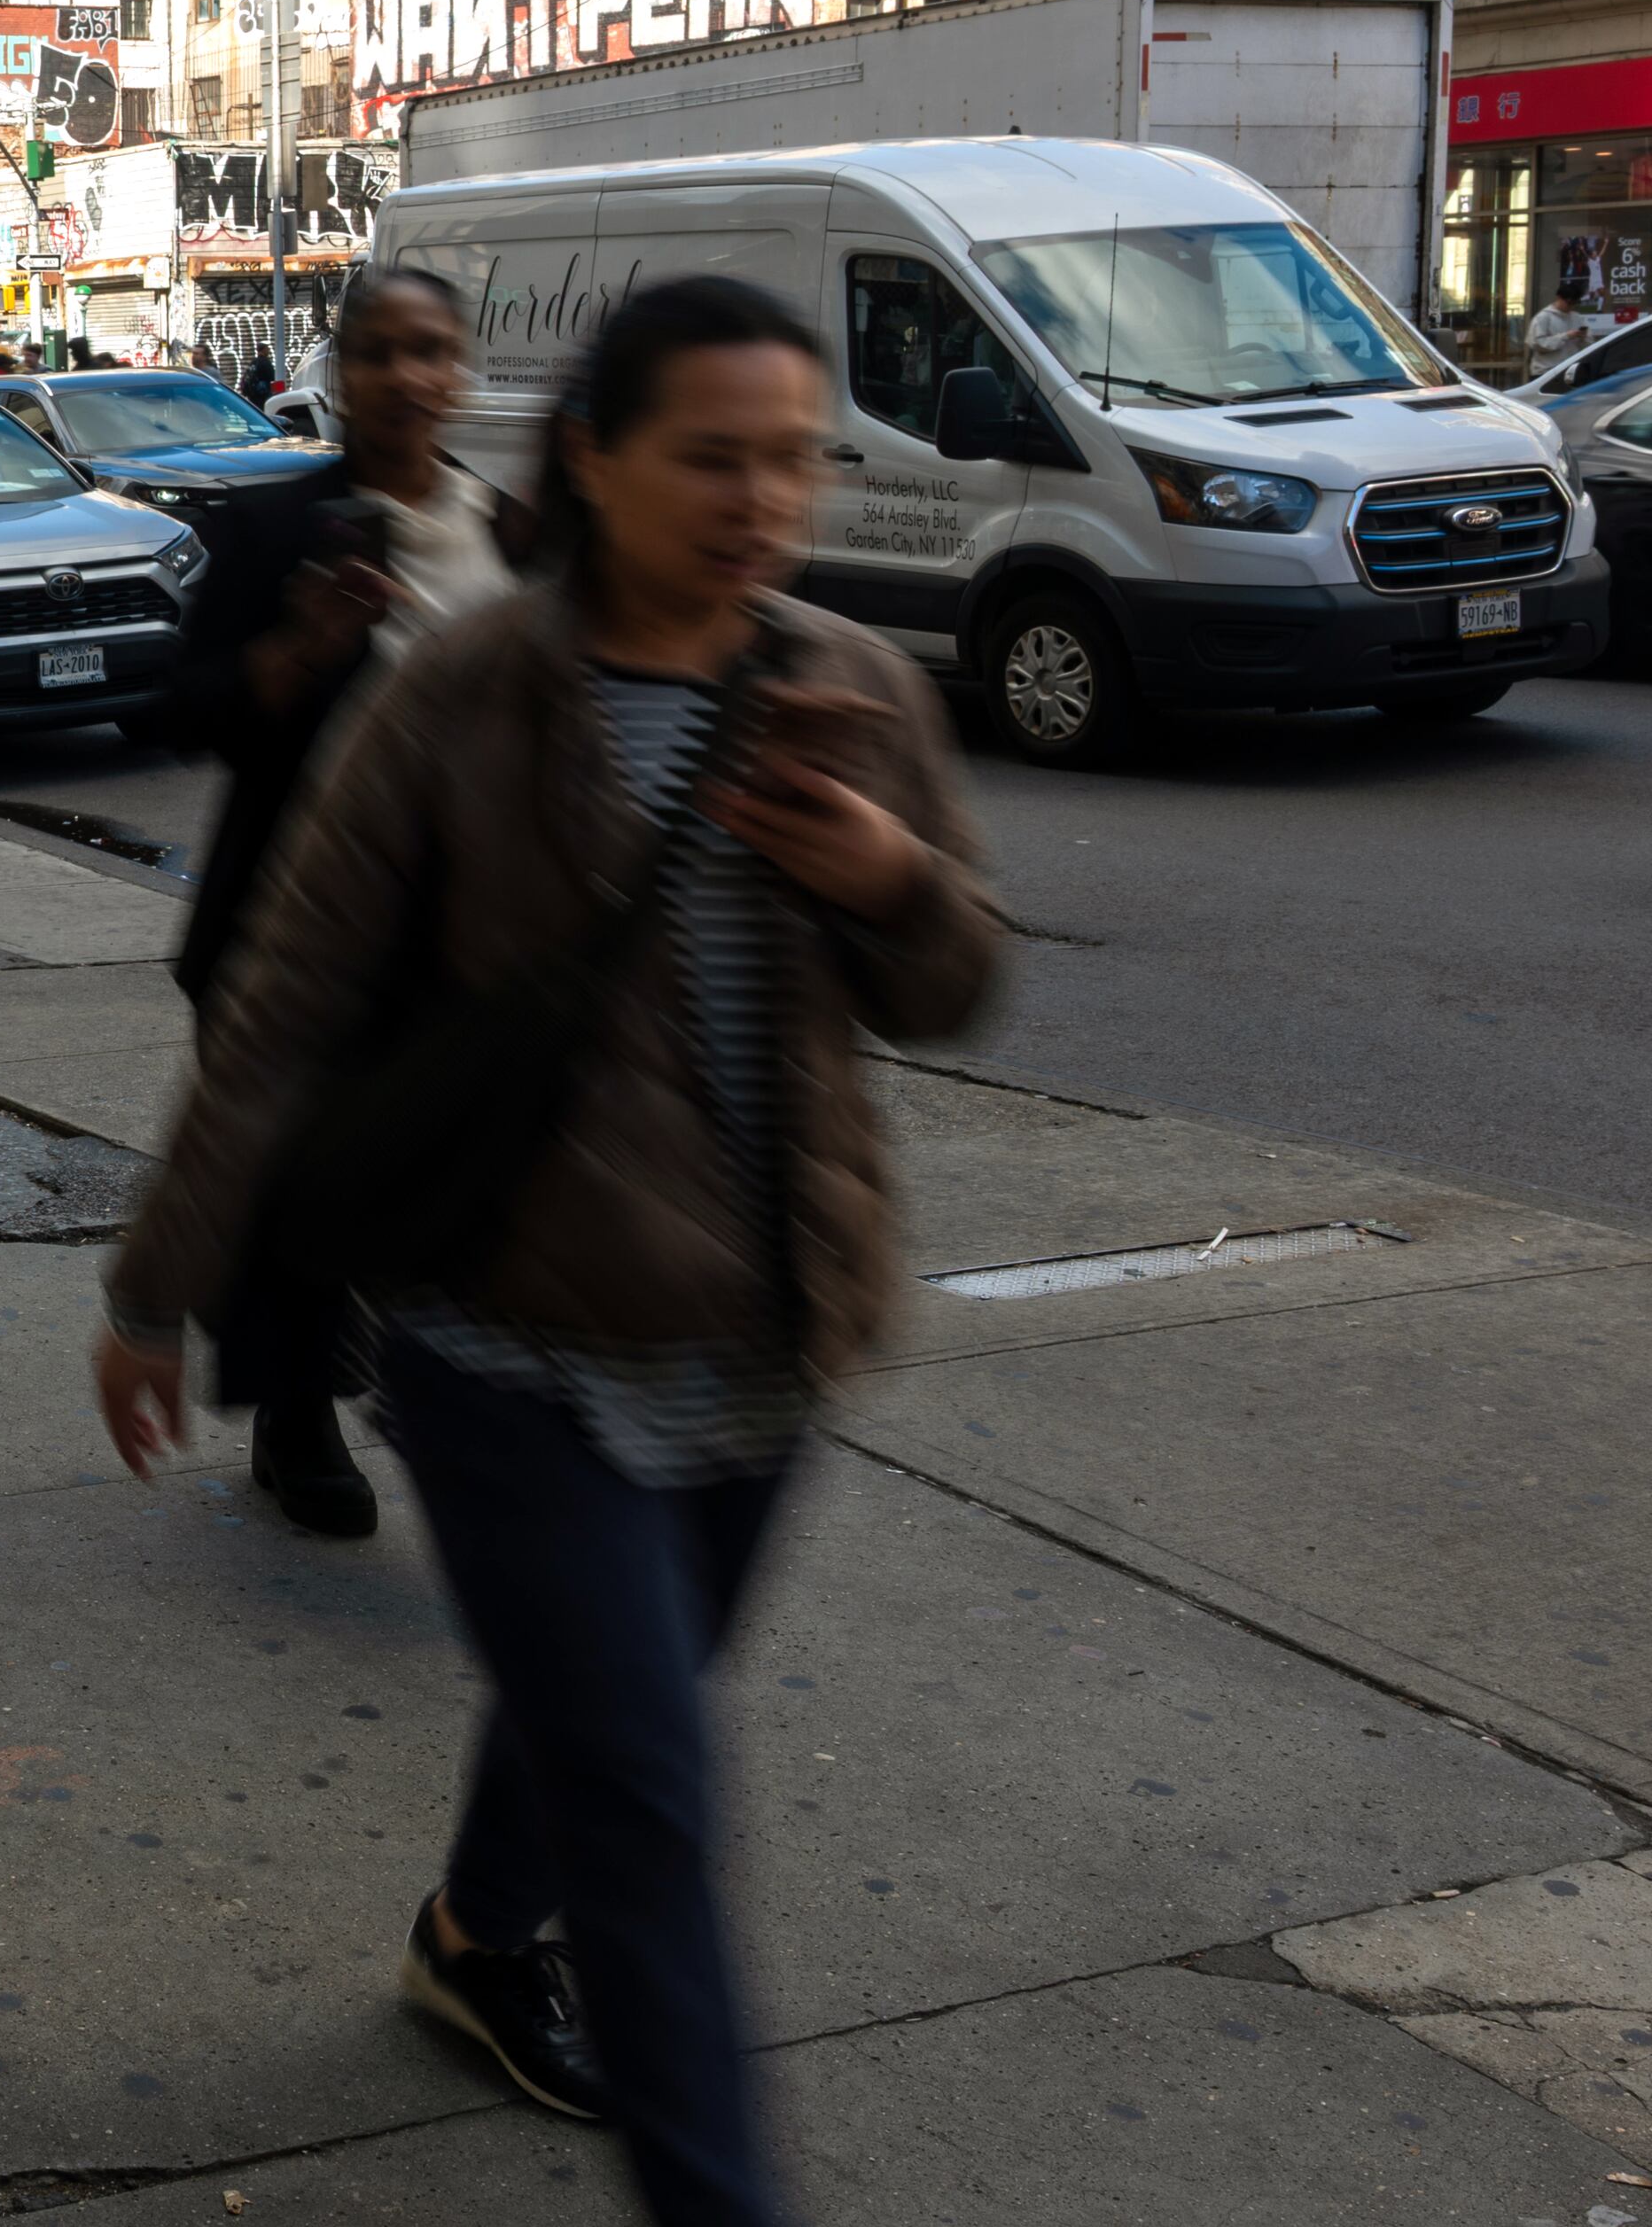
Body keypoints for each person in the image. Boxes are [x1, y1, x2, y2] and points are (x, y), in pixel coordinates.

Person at [92, 278, 1001, 2227]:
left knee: (614, 1708)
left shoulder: (852, 682)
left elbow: (953, 982)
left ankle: (468, 1930)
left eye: (793, 457)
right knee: (651, 1815)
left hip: (769, 1345)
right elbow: (287, 1001)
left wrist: (889, 874)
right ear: (592, 457)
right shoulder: (471, 693)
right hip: (510, 1345)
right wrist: (154, 1277)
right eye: (711, 458)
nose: (763, 498)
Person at [156, 268, 517, 1537]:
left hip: (464, 940)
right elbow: (184, 710)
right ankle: (298, 1417)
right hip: (294, 926)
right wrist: (297, 648)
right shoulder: (278, 535)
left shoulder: (512, 535)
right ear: (338, 375)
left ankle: (452, 1404)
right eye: (382, 354)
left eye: (435, 351)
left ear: (460, 369)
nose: (411, 378)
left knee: (455, 1190)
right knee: (295, 1185)